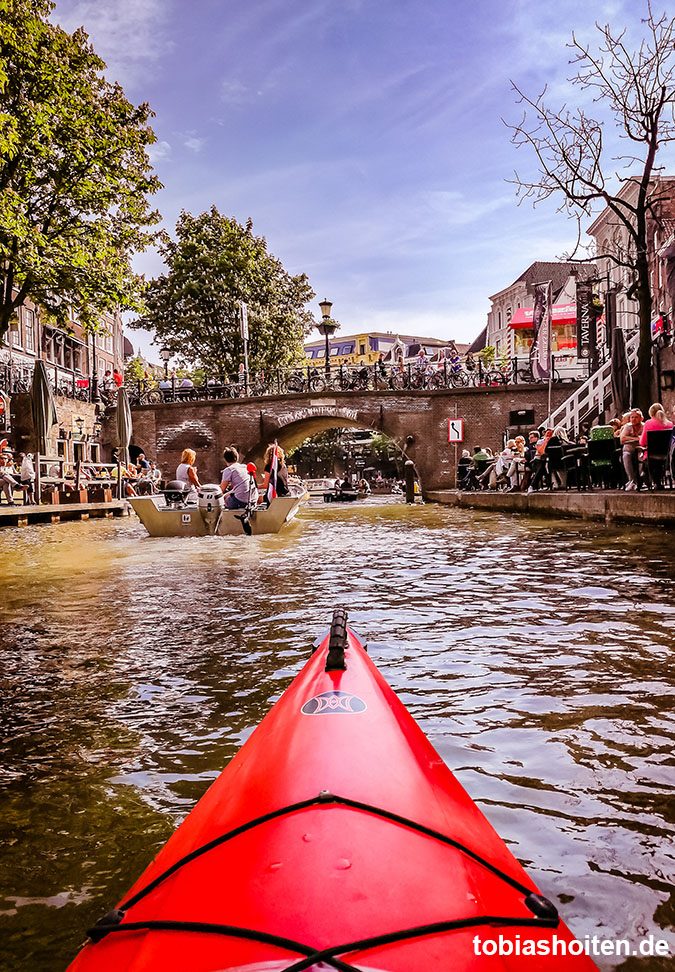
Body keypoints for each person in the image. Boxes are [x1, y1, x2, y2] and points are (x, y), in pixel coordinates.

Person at [620, 408, 644, 490]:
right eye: (632, 417)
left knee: (641, 457)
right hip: (628, 449)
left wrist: (629, 438)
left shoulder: (644, 426)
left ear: (641, 418)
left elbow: (646, 439)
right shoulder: (627, 427)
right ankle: (631, 480)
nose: (633, 419)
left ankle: (639, 480)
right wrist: (637, 439)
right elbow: (622, 439)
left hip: (640, 449)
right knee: (626, 456)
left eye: (636, 417)